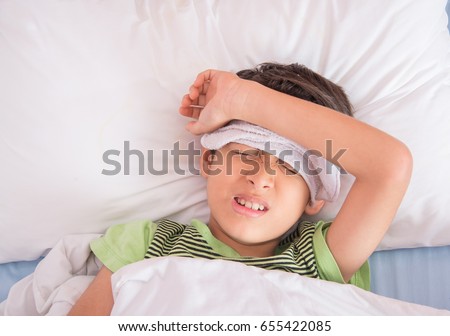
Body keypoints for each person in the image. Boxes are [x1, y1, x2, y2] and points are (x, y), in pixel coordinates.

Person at [68, 63, 412, 315]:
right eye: (246, 155)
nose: (260, 178)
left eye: (291, 168)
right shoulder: (146, 244)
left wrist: (242, 100)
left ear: (315, 198)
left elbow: (389, 167)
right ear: (209, 161)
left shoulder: (319, 259)